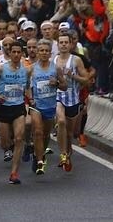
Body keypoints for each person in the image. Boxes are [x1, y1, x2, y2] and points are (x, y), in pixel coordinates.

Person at [0, 41, 31, 184]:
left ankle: (14, 173)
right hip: (3, 108)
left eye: (18, 52)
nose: (16, 54)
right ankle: (9, 147)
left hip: (18, 107)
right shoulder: (1, 69)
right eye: (13, 52)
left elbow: (28, 87)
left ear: (22, 54)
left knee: (19, 138)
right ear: (9, 53)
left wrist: (30, 98)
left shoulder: (26, 70)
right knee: (5, 143)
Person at [28, 39, 66, 175]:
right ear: (37, 53)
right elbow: (26, 86)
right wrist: (30, 98)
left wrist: (56, 83)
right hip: (36, 106)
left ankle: (39, 153)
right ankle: (39, 161)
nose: (44, 53)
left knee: (45, 135)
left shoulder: (55, 68)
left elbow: (64, 86)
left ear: (50, 53)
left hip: (50, 105)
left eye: (46, 51)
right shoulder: (31, 68)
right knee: (38, 132)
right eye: (41, 50)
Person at [54, 33, 89, 172]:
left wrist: (72, 75)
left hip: (73, 99)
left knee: (69, 134)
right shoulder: (53, 60)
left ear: (70, 44)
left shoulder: (76, 60)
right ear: (57, 44)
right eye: (61, 42)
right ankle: (63, 154)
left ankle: (68, 153)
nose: (63, 44)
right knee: (61, 121)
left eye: (65, 42)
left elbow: (86, 80)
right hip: (57, 96)